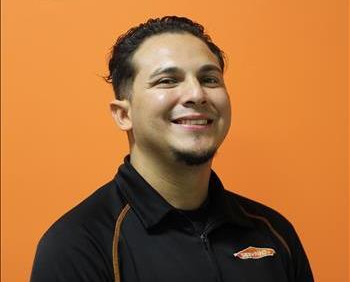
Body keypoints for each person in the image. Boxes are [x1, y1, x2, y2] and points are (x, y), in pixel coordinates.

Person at [30, 16, 314, 282]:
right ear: (123, 115)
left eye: (209, 79)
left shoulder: (273, 232)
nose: (197, 94)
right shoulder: (78, 245)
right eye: (167, 80)